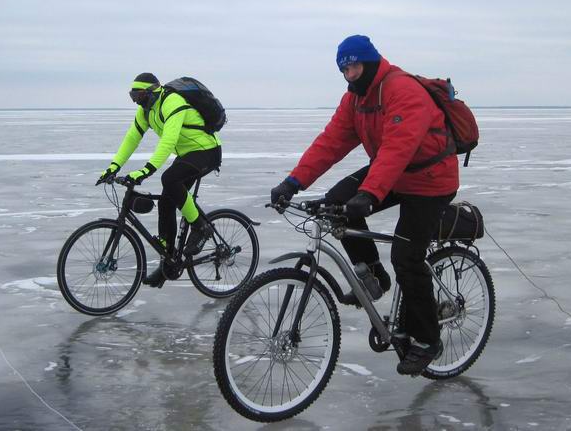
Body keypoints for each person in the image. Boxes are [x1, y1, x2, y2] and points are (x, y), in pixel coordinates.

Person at [269, 35, 459, 376]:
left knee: (407, 255)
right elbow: (331, 142)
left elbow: (398, 147)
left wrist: (369, 196)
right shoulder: (355, 100)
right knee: (335, 203)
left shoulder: (402, 90)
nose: (350, 73)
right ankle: (372, 276)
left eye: (355, 65)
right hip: (394, 173)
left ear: (370, 63)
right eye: (344, 68)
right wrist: (293, 182)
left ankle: (428, 340)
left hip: (431, 178)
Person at [98, 73, 222, 288]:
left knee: (169, 179)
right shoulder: (146, 111)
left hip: (206, 151)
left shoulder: (172, 102)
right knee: (167, 199)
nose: (137, 101)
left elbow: (168, 141)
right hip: (187, 154)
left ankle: (201, 227)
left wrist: (146, 171)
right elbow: (132, 138)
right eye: (133, 97)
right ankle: (169, 261)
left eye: (139, 96)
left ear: (153, 91)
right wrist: (113, 167)